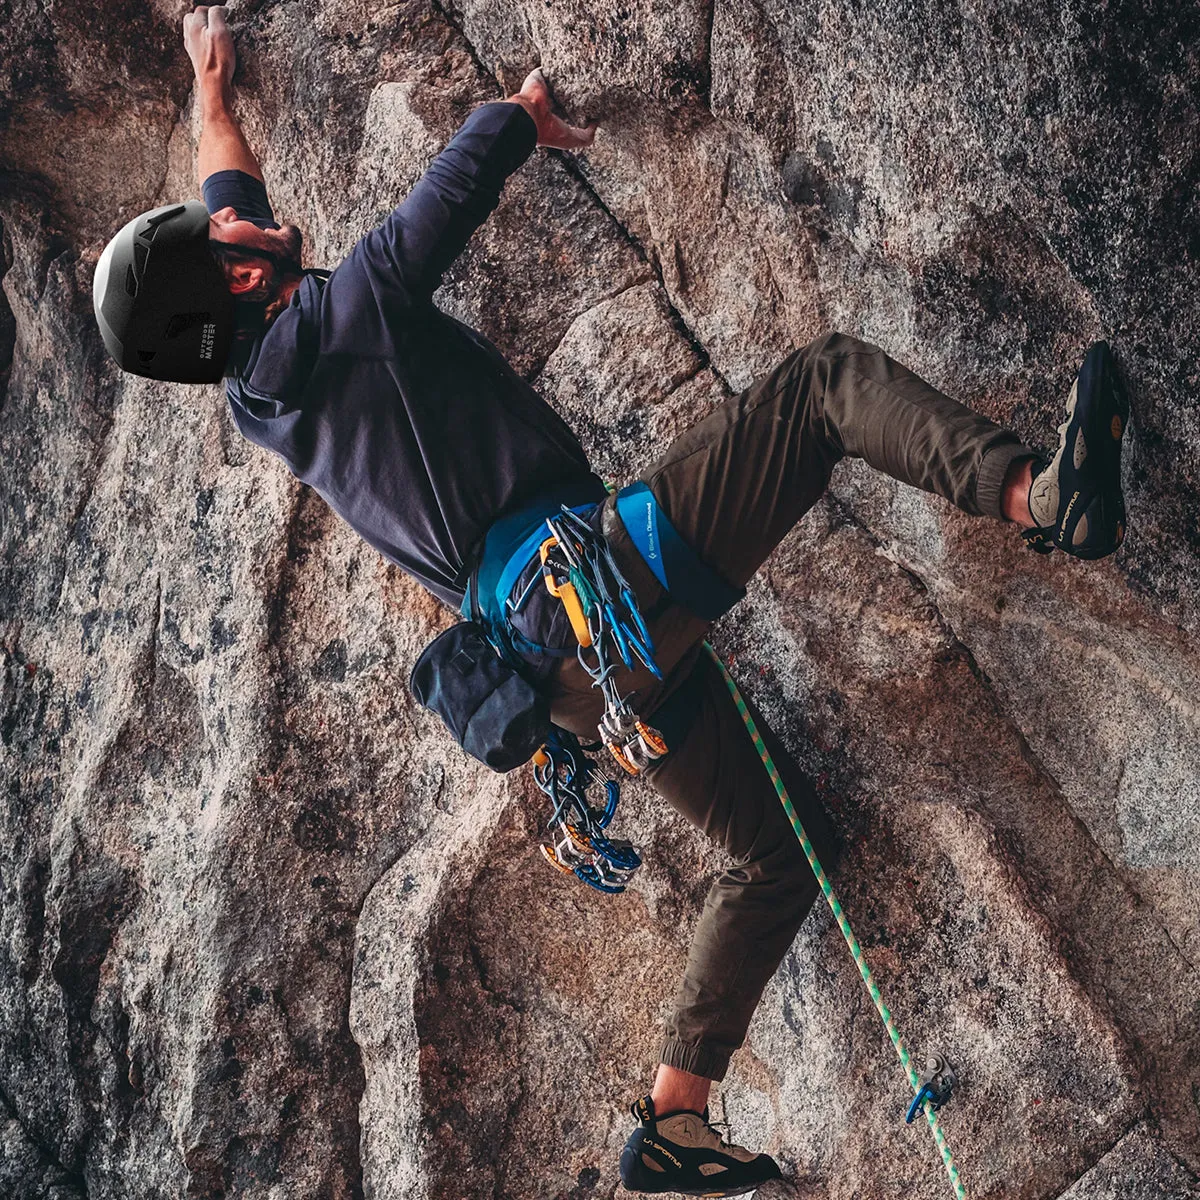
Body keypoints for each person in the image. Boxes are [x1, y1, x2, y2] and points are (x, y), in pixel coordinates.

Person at [92, 6, 1129, 1196]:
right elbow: (433, 214)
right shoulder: (346, 315)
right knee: (824, 387)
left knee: (778, 855)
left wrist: (213, 92)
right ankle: (1039, 503)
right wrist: (518, 118)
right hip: (601, 592)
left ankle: (674, 1117)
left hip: (574, 684)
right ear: (235, 274)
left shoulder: (258, 393)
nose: (235, 212)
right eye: (222, 230)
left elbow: (230, 217)